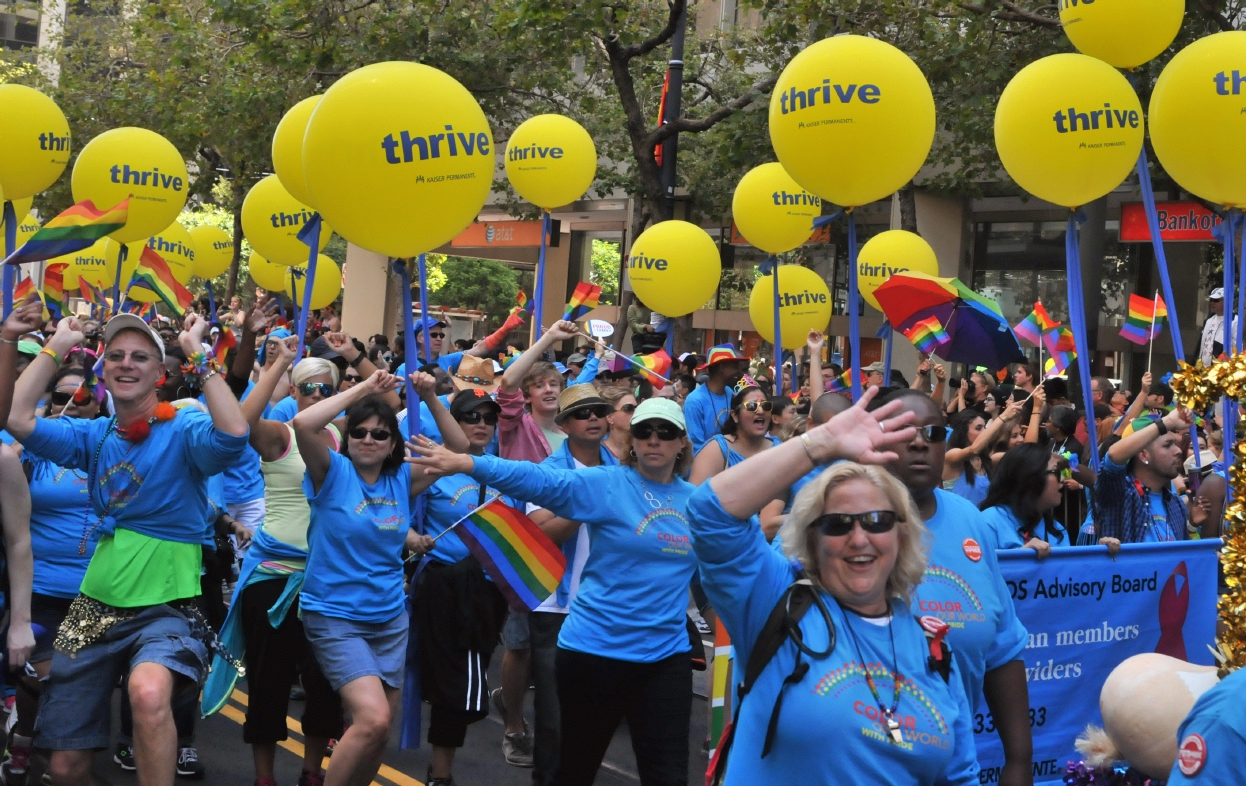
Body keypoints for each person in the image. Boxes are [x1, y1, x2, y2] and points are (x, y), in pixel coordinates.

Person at [686, 387, 978, 785]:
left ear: (901, 536)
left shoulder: (935, 649)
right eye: (838, 524)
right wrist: (818, 443)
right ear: (812, 539)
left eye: (876, 521)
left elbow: (960, 775)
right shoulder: (774, 601)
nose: (859, 539)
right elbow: (709, 513)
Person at [7, 311, 248, 786]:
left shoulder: (182, 429)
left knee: (148, 691)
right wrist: (56, 346)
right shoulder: (92, 437)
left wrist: (197, 351)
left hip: (168, 603)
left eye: (141, 357)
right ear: (102, 370)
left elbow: (235, 434)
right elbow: (15, 417)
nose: (126, 363)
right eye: (115, 355)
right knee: (63, 766)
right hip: (93, 606)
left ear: (161, 374)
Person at [410, 397, 698, 786]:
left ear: (683, 442)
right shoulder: (607, 483)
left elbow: (736, 558)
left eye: (666, 433)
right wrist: (470, 464)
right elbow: (537, 480)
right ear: (632, 440)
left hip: (666, 657)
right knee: (573, 769)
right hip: (596, 650)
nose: (654, 440)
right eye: (644, 431)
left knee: (668, 775)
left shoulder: (699, 503)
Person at [868, 389, 1032, 786]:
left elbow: (1002, 648)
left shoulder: (969, 520)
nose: (921, 441)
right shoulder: (840, 522)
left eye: (933, 432)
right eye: (904, 431)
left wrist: (1019, 762)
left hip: (953, 771)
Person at [292, 369, 443, 786]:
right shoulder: (331, 471)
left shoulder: (401, 478)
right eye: (359, 432)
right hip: (335, 616)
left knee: (378, 735)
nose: (368, 440)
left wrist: (429, 396)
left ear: (393, 442)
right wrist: (366, 388)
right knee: (372, 720)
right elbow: (304, 423)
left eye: (380, 434)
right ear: (347, 437)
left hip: (389, 619)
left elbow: (462, 448)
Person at [518, 385, 620, 786]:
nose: (593, 418)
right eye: (583, 413)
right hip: (555, 611)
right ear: (563, 425)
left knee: (597, 716)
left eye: (599, 410)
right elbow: (540, 534)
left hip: (608, 608)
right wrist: (586, 502)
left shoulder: (623, 470)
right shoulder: (549, 471)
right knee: (554, 716)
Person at [411, 388, 513, 786]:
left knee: (458, 687)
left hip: (488, 593)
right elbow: (392, 505)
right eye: (472, 417)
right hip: (443, 586)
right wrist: (411, 539)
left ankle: (440, 772)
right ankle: (441, 776)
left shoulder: (504, 470)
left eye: (489, 418)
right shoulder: (433, 467)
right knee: (456, 688)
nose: (482, 425)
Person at [1090, 409, 1207, 551]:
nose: (1178, 451)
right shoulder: (1121, 493)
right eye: (1167, 445)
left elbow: (1185, 560)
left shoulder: (1176, 504)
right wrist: (1167, 422)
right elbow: (1113, 455)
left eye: (1175, 444)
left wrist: (1192, 526)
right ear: (1144, 455)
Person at [978, 444, 1070, 556]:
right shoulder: (989, 522)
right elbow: (978, 570)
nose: (1062, 479)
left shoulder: (1056, 529)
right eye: (1055, 472)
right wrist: (1020, 559)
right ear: (1031, 478)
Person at [944, 401, 1022, 506]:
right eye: (978, 428)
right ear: (963, 432)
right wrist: (1003, 417)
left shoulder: (983, 459)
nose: (984, 432)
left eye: (985, 427)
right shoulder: (951, 455)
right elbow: (974, 449)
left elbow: (1024, 455)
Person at [684, 344, 747, 453]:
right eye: (735, 367)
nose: (739, 372)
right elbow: (695, 446)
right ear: (722, 367)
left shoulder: (730, 393)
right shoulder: (695, 401)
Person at [601, 386, 636, 461]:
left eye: (637, 408)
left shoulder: (642, 449)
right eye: (628, 408)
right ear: (609, 417)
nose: (635, 413)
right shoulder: (596, 452)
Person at [1199, 287, 1224, 366]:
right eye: (1211, 300)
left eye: (1216, 300)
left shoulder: (1235, 321)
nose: (1212, 303)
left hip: (1222, 370)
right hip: (1204, 368)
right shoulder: (1209, 320)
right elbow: (1203, 344)